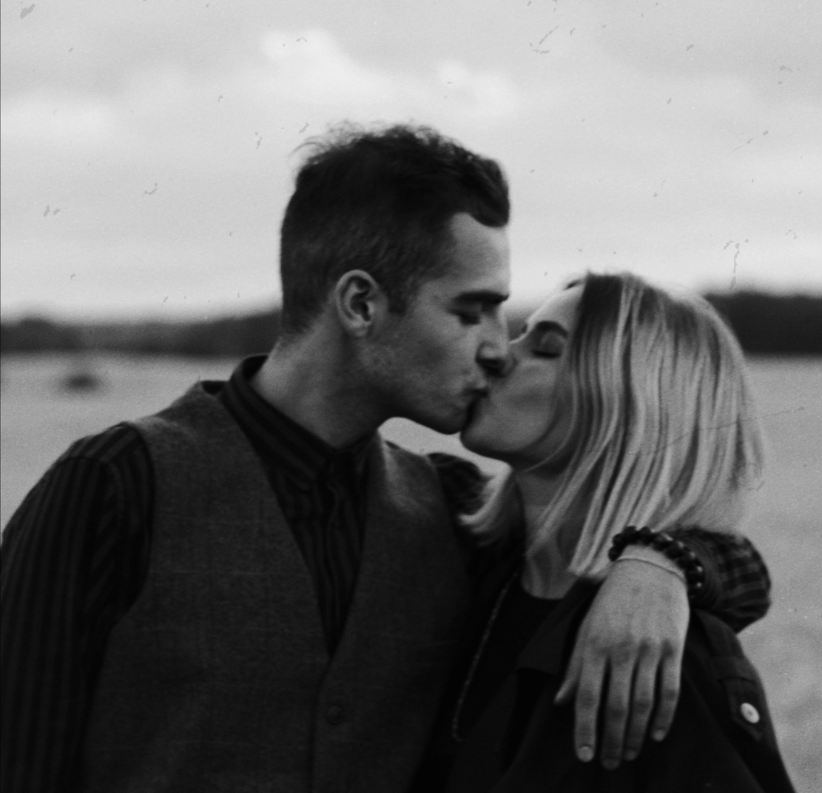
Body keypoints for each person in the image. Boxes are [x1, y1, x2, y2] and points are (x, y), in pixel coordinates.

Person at [0, 125, 772, 793]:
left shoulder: (448, 507)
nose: (495, 346)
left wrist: (661, 564)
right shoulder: (117, 484)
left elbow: (727, 567)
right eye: (471, 309)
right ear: (361, 304)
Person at [417, 272, 796, 792]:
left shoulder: (655, 656)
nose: (498, 352)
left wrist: (662, 562)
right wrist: (663, 559)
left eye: (545, 348)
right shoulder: (453, 538)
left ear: (628, 407)